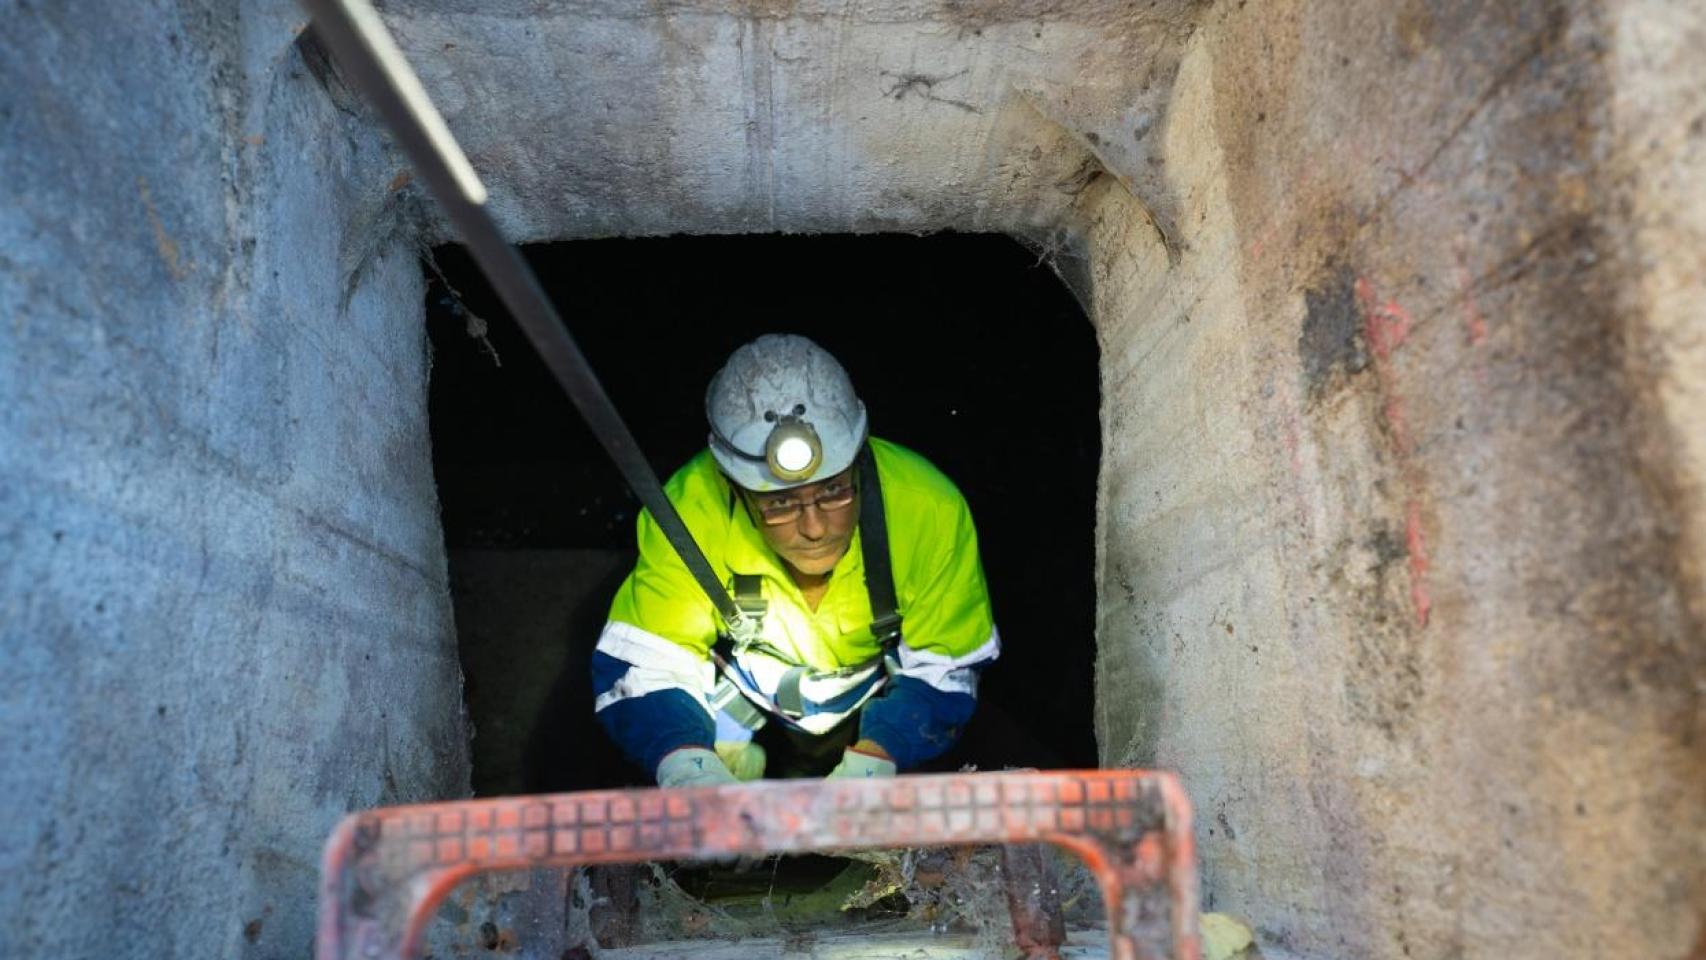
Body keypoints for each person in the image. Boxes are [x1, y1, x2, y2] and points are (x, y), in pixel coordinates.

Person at [591, 334, 999, 787]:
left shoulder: (928, 510)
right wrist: (687, 764)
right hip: (742, 699)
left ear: (859, 459)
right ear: (735, 487)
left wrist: (877, 758)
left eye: (834, 490)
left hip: (879, 704)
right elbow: (647, 661)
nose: (814, 528)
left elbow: (945, 666)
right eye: (779, 503)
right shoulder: (688, 514)